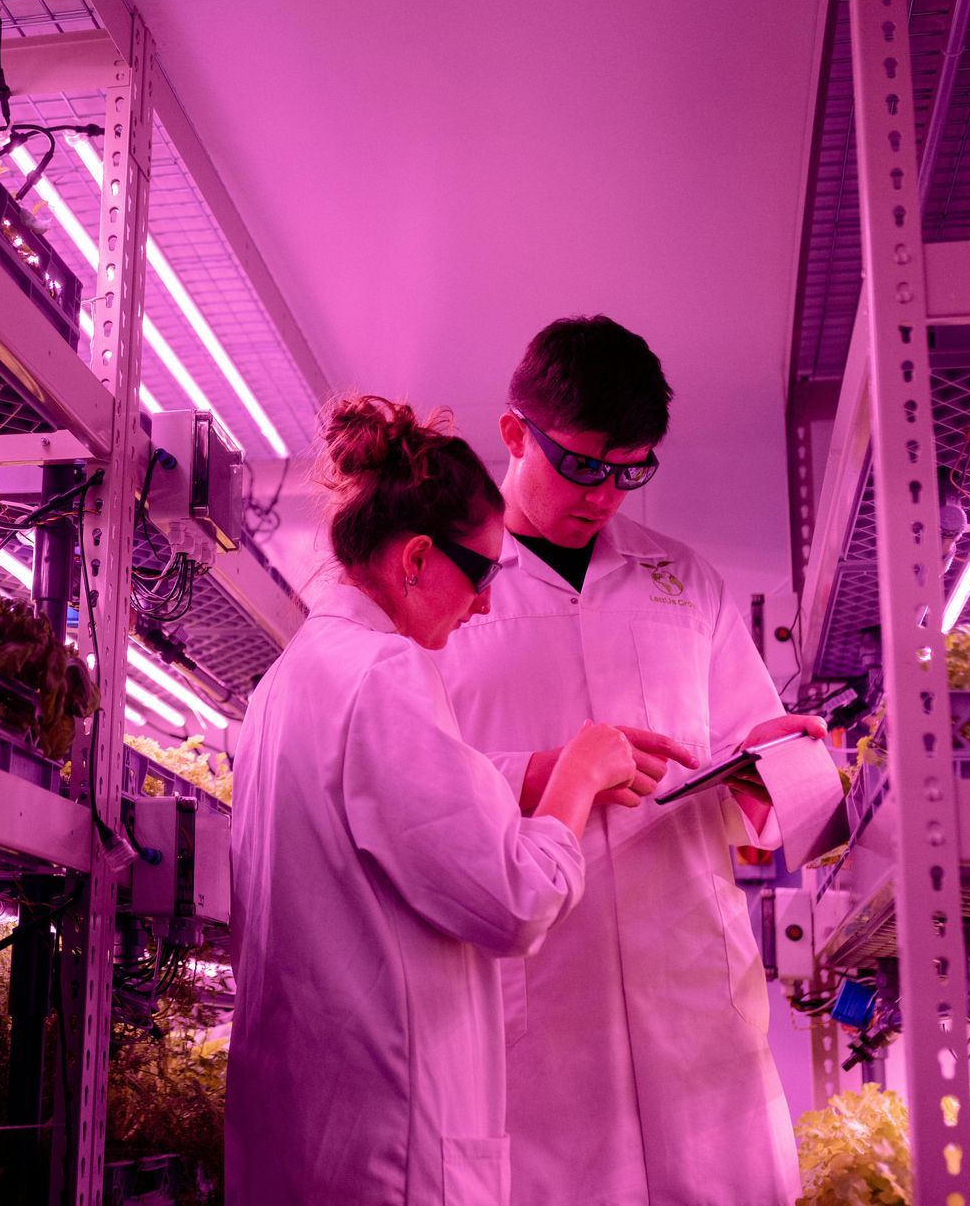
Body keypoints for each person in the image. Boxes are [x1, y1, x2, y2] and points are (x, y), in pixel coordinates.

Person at [433, 316, 833, 1206]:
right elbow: (407, 789)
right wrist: (541, 774)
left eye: (631, 470)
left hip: (695, 991)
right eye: (581, 465)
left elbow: (747, 744)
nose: (605, 495)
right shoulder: (445, 593)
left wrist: (771, 762)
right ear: (514, 433)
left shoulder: (684, 582)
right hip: (534, 999)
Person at [227, 394, 643, 1206]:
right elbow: (514, 900)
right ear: (416, 559)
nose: (487, 600)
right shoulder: (389, 674)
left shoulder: (290, 682)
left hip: (313, 1146)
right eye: (481, 571)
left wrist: (524, 771)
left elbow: (397, 815)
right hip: (395, 1153)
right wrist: (580, 776)